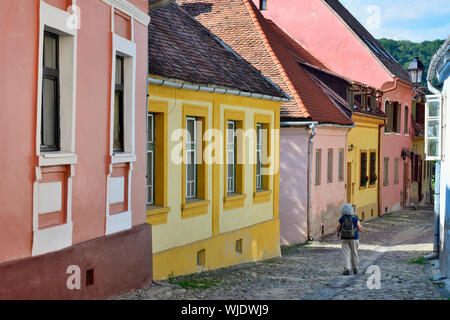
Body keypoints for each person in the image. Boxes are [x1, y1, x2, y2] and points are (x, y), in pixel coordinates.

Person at [336, 203, 364, 275]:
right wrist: (361, 228)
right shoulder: (355, 218)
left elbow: (337, 228)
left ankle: (347, 268)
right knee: (354, 253)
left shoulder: (342, 218)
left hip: (344, 238)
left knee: (346, 253)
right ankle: (355, 268)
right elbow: (360, 228)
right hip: (354, 238)